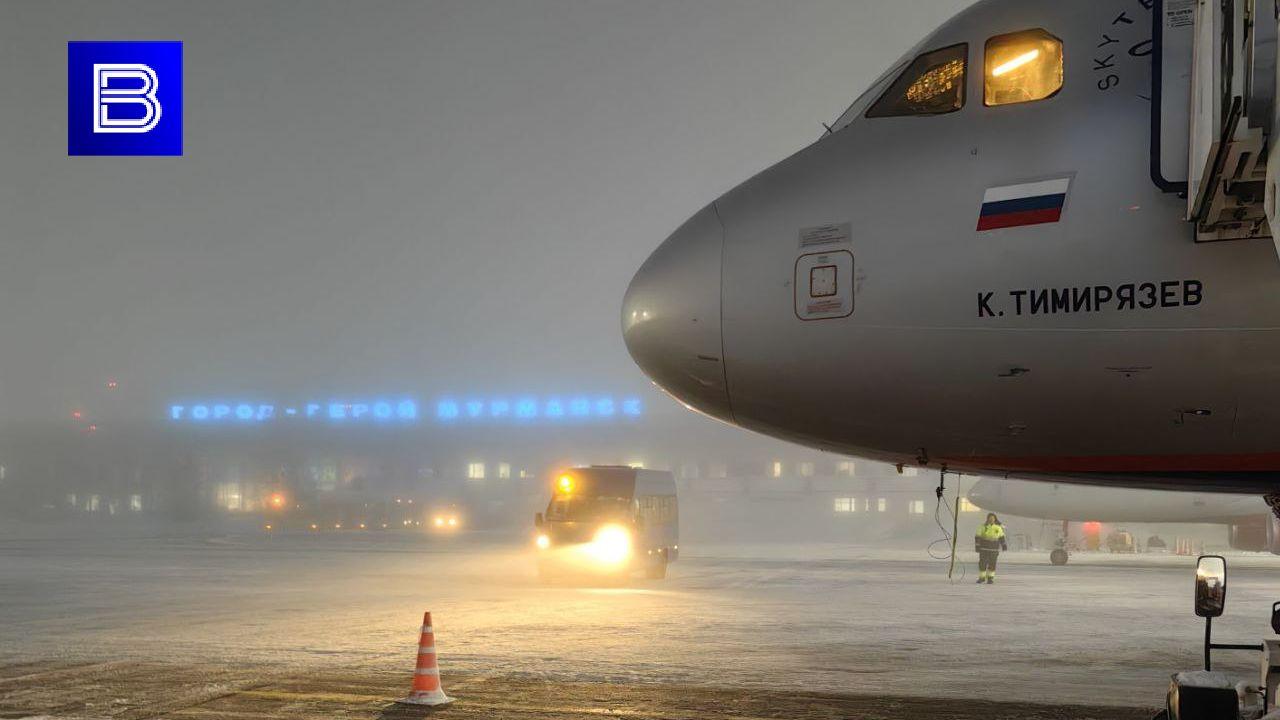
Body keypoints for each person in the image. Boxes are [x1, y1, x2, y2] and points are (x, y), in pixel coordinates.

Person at [974, 513, 1007, 584]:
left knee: (992, 564)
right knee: (982, 563)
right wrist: (977, 546)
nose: (991, 519)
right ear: (987, 519)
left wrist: (1004, 545)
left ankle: (990, 578)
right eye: (990, 518)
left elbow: (1001, 537)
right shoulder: (982, 527)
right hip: (984, 548)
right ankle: (982, 577)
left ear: (995, 519)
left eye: (993, 518)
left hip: (994, 549)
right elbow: (977, 536)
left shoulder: (998, 528)